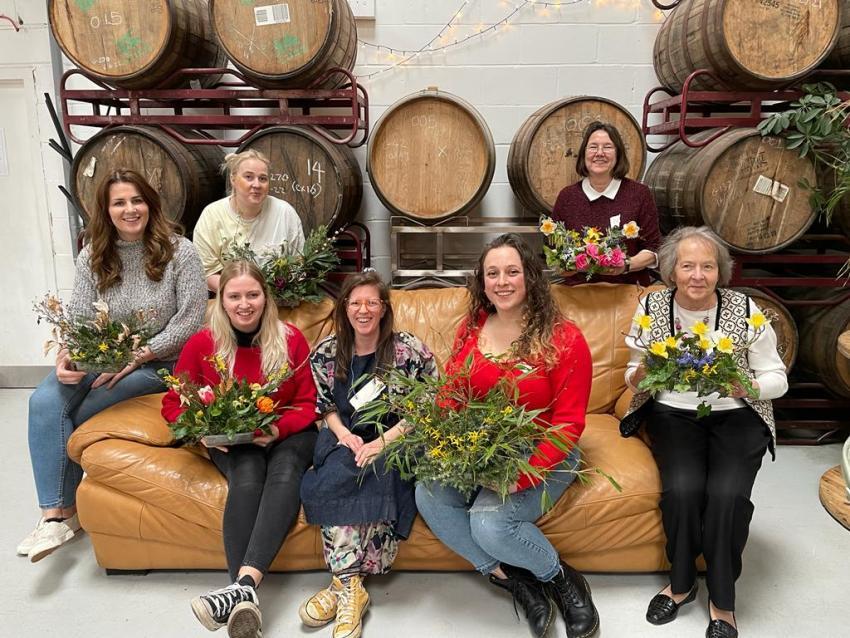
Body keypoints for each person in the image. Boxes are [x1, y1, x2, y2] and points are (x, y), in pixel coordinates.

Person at [414, 234, 599, 638]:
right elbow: (452, 392)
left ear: (530, 277)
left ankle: (561, 577)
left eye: (512, 272)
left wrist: (522, 475)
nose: (502, 281)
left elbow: (568, 425)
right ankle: (516, 580)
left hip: (545, 450)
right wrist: (441, 438)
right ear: (481, 282)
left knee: (490, 524)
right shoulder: (472, 328)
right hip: (482, 448)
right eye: (492, 273)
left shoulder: (564, 338)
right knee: (428, 494)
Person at [20, 169, 206, 562]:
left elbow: (189, 321)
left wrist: (141, 354)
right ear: (106, 211)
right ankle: (56, 516)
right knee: (44, 402)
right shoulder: (93, 254)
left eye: (137, 200)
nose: (130, 209)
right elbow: (80, 317)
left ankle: (64, 514)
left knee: (84, 409)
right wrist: (68, 355)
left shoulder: (180, 251)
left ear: (150, 205)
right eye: (119, 202)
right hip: (100, 359)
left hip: (158, 364)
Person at [621, 226, 788, 638]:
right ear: (672, 270)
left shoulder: (745, 309)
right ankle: (680, 586)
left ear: (721, 272)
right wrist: (639, 376)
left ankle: (722, 601)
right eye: (688, 265)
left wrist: (746, 386)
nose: (698, 275)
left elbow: (777, 377)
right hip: (674, 415)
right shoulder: (652, 307)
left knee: (727, 496)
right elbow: (632, 373)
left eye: (708, 266)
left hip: (737, 416)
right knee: (682, 491)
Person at [161, 260, 318, 638]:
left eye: (252, 294)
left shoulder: (291, 338)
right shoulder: (203, 343)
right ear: (221, 299)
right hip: (232, 440)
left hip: (288, 433)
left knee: (284, 473)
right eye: (235, 296)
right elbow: (172, 403)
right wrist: (200, 429)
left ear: (265, 298)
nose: (244, 304)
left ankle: (239, 591)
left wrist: (279, 428)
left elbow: (309, 402)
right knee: (247, 477)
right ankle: (243, 592)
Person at [298, 270, 437, 638]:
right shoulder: (327, 351)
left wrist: (384, 442)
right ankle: (351, 586)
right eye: (355, 302)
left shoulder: (408, 349)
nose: (363, 309)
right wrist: (344, 435)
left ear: (383, 308)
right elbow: (324, 405)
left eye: (371, 302)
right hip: (345, 435)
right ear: (344, 308)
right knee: (335, 474)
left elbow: (427, 403)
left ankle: (342, 586)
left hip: (395, 437)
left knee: (381, 472)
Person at [551, 121, 661, 286]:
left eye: (608, 147)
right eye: (593, 147)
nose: (600, 153)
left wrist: (626, 265)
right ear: (583, 154)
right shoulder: (567, 197)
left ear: (618, 155)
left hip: (628, 291)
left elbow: (653, 249)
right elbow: (554, 255)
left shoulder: (639, 194)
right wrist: (573, 264)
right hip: (578, 294)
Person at [193, 149, 305, 293]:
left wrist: (269, 292)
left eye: (263, 178)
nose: (257, 185)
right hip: (230, 301)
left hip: (277, 299)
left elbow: (299, 263)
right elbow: (206, 271)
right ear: (233, 179)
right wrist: (243, 294)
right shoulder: (212, 214)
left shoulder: (284, 212)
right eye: (249, 177)